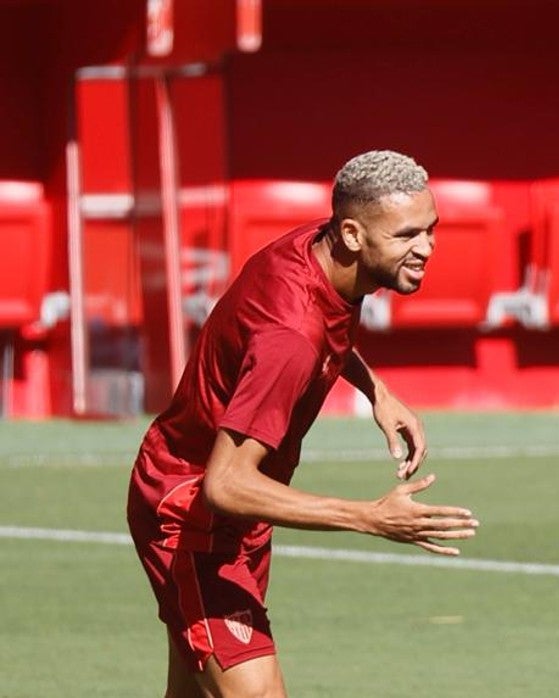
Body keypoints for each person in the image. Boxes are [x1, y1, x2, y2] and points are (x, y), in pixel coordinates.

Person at [126, 150, 479, 697]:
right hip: (191, 512)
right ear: (354, 235)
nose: (426, 248)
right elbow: (226, 484)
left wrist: (376, 390)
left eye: (431, 229)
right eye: (407, 235)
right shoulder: (290, 338)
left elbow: (323, 323)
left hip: (233, 515)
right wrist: (370, 517)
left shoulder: (320, 251)